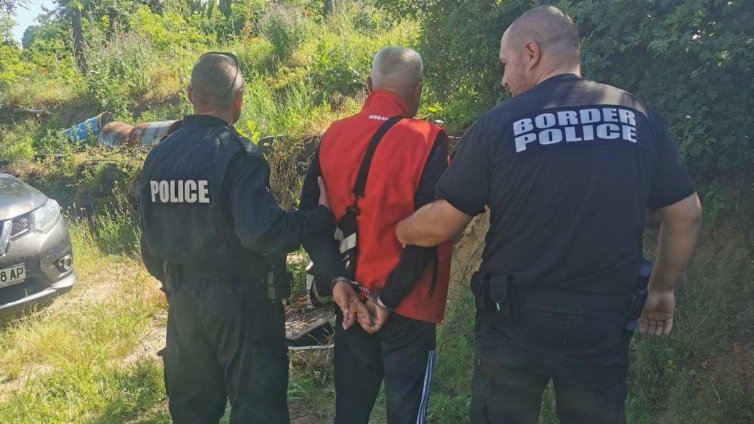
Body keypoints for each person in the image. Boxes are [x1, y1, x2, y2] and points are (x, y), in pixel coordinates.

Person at [396, 6, 702, 424]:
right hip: (602, 320)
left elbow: (445, 222)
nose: (503, 79)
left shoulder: (500, 124)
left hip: (514, 320)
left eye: (505, 64)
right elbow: (686, 213)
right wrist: (662, 288)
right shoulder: (636, 116)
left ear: (531, 53)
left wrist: (402, 229)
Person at [138, 52, 335, 424]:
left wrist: (176, 284)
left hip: (183, 302)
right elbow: (261, 231)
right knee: (258, 410)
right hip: (243, 303)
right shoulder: (239, 154)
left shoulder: (158, 157)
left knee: (192, 412)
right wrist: (317, 218)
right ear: (239, 98)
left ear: (190, 95)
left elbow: (149, 242)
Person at [299, 46, 453, 423]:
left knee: (350, 413)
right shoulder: (427, 140)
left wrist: (338, 282)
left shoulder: (333, 136)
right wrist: (387, 300)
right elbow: (429, 231)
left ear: (369, 85)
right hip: (408, 307)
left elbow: (310, 222)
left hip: (350, 303)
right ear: (418, 91)